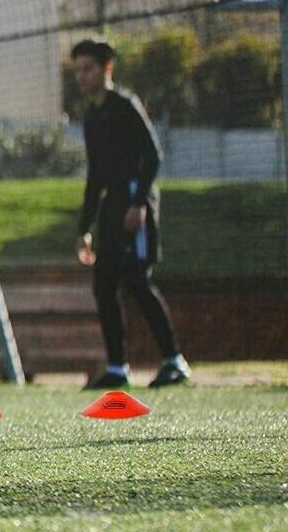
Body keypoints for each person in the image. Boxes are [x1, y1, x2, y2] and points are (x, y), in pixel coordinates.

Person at [71, 38, 191, 390]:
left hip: (135, 202)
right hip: (111, 207)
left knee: (137, 281)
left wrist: (139, 204)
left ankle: (175, 362)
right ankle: (117, 369)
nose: (82, 77)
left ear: (107, 69)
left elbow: (153, 156)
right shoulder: (92, 116)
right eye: (77, 70)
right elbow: (95, 176)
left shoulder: (125, 106)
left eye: (88, 68)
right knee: (104, 284)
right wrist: (85, 228)